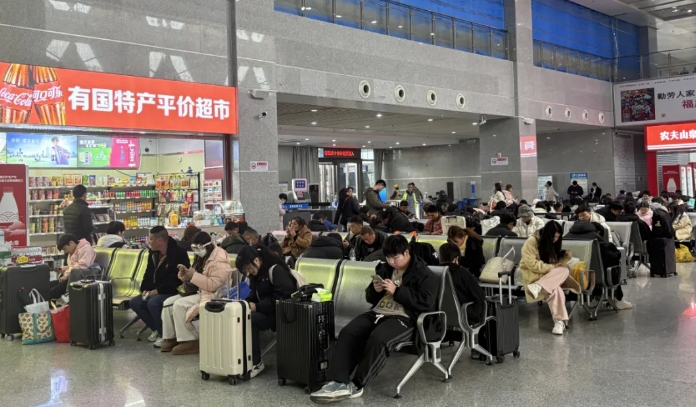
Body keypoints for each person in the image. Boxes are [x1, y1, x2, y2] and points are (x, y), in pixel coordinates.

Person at [309, 235, 438, 403]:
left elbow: (426, 303)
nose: (391, 261)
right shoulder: (385, 269)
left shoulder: (424, 274)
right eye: (388, 257)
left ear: (406, 253)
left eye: (395, 257)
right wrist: (375, 291)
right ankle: (337, 381)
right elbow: (370, 297)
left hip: (405, 318)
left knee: (378, 339)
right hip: (378, 312)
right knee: (349, 332)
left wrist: (397, 291)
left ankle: (357, 384)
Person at [160, 232, 232, 355]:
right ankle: (171, 337)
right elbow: (196, 275)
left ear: (207, 245)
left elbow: (214, 285)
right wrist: (185, 275)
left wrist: (193, 276)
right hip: (200, 290)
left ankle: (189, 340)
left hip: (214, 294)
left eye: (199, 248)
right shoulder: (202, 256)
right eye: (194, 248)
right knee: (167, 304)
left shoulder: (219, 260)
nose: (197, 251)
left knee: (179, 305)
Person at [236, 246, 296, 378]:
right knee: (238, 316)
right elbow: (255, 293)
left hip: (282, 314)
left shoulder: (276, 270)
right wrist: (246, 303)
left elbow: (284, 297)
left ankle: (256, 362)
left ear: (256, 260)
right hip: (267, 311)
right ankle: (241, 359)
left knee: (250, 320)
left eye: (248, 268)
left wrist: (257, 307)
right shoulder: (257, 273)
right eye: (245, 270)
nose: (248, 272)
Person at [129, 226, 190, 347]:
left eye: (151, 239)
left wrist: (158, 291)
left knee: (153, 303)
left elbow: (177, 279)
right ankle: (156, 329)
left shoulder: (178, 253)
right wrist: (145, 289)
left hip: (174, 290)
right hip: (156, 290)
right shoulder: (153, 253)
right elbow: (148, 273)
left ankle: (164, 335)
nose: (149, 242)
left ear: (160, 240)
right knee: (135, 302)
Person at [520, 221, 580, 335]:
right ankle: (559, 322)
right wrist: (552, 267)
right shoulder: (532, 242)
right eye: (554, 236)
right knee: (555, 289)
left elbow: (555, 262)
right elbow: (532, 265)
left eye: (558, 237)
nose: (555, 239)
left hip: (548, 275)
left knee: (564, 270)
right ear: (547, 234)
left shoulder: (552, 243)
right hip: (534, 273)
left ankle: (538, 286)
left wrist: (564, 256)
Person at [564, 221, 633, 310]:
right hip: (594, 277)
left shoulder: (565, 237)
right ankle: (617, 299)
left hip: (571, 275)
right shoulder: (596, 239)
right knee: (613, 267)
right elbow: (613, 256)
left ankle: (594, 296)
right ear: (599, 232)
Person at [439, 242, 486, 324]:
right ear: (456, 259)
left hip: (440, 317)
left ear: (440, 257)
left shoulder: (434, 272)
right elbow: (480, 296)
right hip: (465, 317)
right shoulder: (463, 273)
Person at [50, 234, 97, 299]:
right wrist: (62, 269)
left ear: (71, 243)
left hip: (80, 278)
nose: (65, 251)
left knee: (51, 293)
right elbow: (73, 266)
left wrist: (66, 275)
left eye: (65, 249)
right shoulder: (73, 251)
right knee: (48, 286)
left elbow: (82, 266)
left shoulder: (86, 250)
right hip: (72, 277)